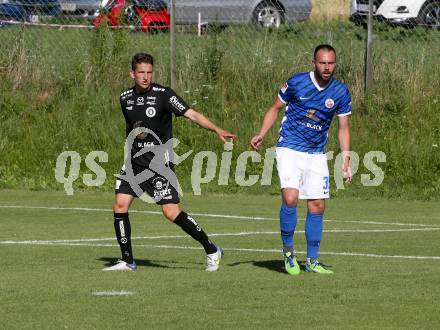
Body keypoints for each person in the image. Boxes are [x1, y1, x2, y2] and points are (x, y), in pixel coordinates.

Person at [103, 52, 236, 272]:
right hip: (134, 164)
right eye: (141, 73)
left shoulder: (164, 95)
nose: (145, 77)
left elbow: (192, 114)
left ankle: (212, 249)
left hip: (158, 164)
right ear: (132, 74)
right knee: (119, 205)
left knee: (171, 212)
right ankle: (128, 261)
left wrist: (216, 129)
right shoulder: (125, 97)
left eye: (149, 72)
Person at [250, 44, 352, 275]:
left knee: (317, 205)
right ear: (313, 63)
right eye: (322, 63)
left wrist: (346, 159)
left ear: (335, 64)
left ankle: (312, 261)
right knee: (290, 197)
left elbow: (343, 127)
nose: (327, 67)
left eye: (331, 63)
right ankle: (288, 253)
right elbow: (275, 108)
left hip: (316, 153)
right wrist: (261, 133)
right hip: (289, 148)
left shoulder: (340, 92)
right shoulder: (297, 82)